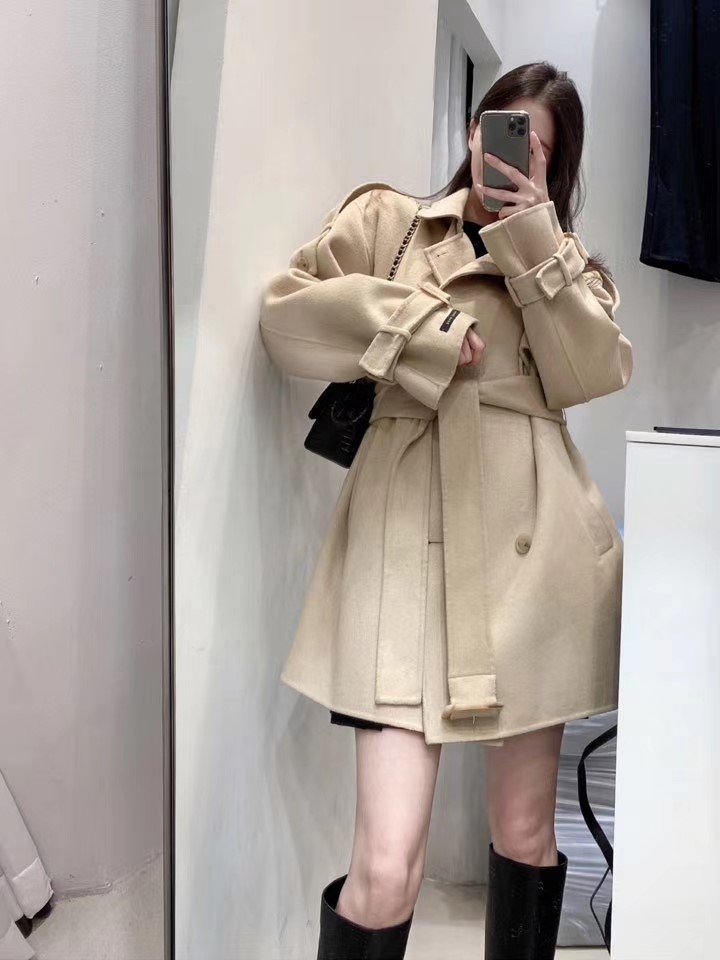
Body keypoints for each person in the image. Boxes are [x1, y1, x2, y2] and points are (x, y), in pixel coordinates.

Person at [259, 61, 633, 960]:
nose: (507, 154)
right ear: (472, 131)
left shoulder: (569, 267)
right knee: (386, 866)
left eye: (533, 147)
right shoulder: (386, 225)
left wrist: (532, 241)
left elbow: (593, 372)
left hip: (536, 562)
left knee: (526, 834)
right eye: (499, 129)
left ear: (554, 166)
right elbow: (286, 320)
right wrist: (420, 330)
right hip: (400, 552)